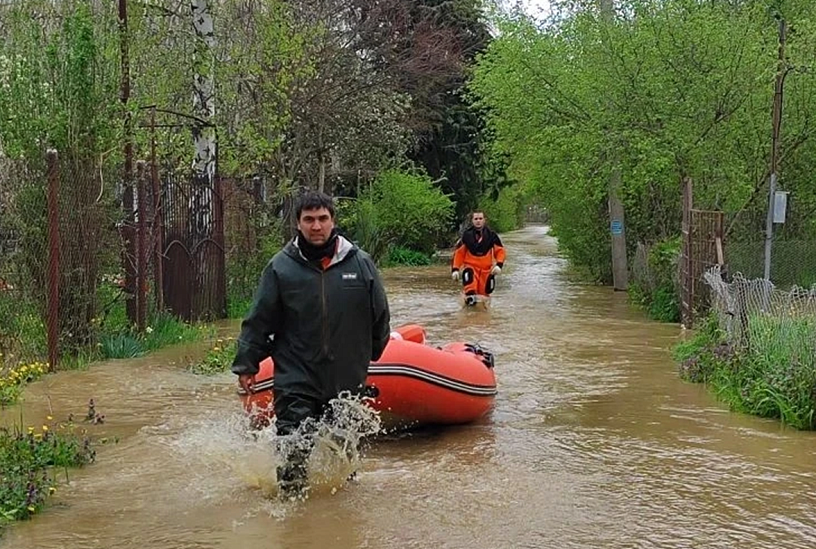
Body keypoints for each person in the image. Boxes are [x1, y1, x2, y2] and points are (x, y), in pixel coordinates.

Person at [231, 190, 391, 497]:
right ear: (297, 224)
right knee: (292, 452)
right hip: (296, 376)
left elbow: (380, 316)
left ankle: (337, 520)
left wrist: (371, 352)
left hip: (345, 377)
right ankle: (293, 521)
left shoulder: (360, 264)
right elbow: (259, 318)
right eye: (309, 220)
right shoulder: (281, 267)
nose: (316, 226)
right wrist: (246, 363)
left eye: (322, 219)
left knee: (343, 460)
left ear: (333, 222)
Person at [451, 211, 506, 306]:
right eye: (476, 219)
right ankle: (468, 315)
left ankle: (483, 318)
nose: (478, 221)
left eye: (480, 218)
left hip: (486, 271)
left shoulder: (492, 235)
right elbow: (459, 253)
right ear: (472, 221)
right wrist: (455, 269)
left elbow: (500, 251)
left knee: (485, 296)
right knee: (470, 293)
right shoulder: (466, 235)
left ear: (484, 220)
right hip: (470, 268)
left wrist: (499, 265)